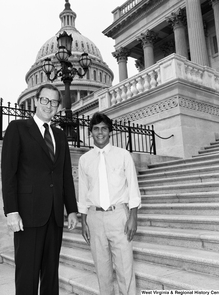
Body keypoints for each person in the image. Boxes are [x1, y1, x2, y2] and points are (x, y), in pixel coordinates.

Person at [1, 83, 78, 295]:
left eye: (54, 102)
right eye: (45, 100)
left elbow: (64, 175)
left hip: (54, 216)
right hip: (27, 215)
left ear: (58, 106)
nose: (49, 105)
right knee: (27, 274)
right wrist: (12, 211)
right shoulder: (18, 128)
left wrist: (71, 209)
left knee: (51, 274)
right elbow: (9, 174)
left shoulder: (60, 135)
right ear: (36, 101)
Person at [78, 112, 141, 295]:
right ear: (91, 132)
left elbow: (133, 188)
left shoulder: (123, 155)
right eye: (96, 129)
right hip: (95, 218)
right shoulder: (85, 160)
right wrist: (84, 221)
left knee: (125, 269)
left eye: (104, 128)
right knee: (102, 272)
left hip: (119, 216)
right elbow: (83, 193)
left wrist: (133, 217)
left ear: (110, 131)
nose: (100, 132)